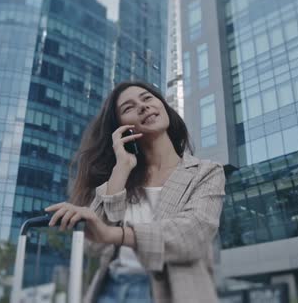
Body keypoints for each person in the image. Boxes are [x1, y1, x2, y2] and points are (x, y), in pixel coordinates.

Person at [45, 81, 225, 302]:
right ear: (120, 128)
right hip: (111, 290)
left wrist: (116, 235)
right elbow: (95, 245)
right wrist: (121, 169)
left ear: (162, 105)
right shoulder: (118, 179)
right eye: (128, 108)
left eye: (147, 98)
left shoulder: (206, 172)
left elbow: (192, 235)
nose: (142, 106)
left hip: (176, 293)